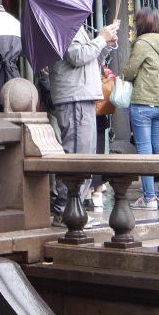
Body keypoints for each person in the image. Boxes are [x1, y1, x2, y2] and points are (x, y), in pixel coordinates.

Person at [49, 17, 120, 222]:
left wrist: (105, 45)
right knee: (77, 156)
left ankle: (75, 210)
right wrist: (100, 39)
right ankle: (65, 212)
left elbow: (90, 60)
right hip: (75, 97)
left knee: (85, 157)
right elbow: (76, 56)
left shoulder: (74, 26)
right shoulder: (63, 24)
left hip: (83, 95)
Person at [122, 7, 159, 211]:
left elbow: (130, 71)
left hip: (144, 102)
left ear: (141, 23)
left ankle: (149, 198)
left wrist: (123, 73)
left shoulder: (142, 43)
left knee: (145, 150)